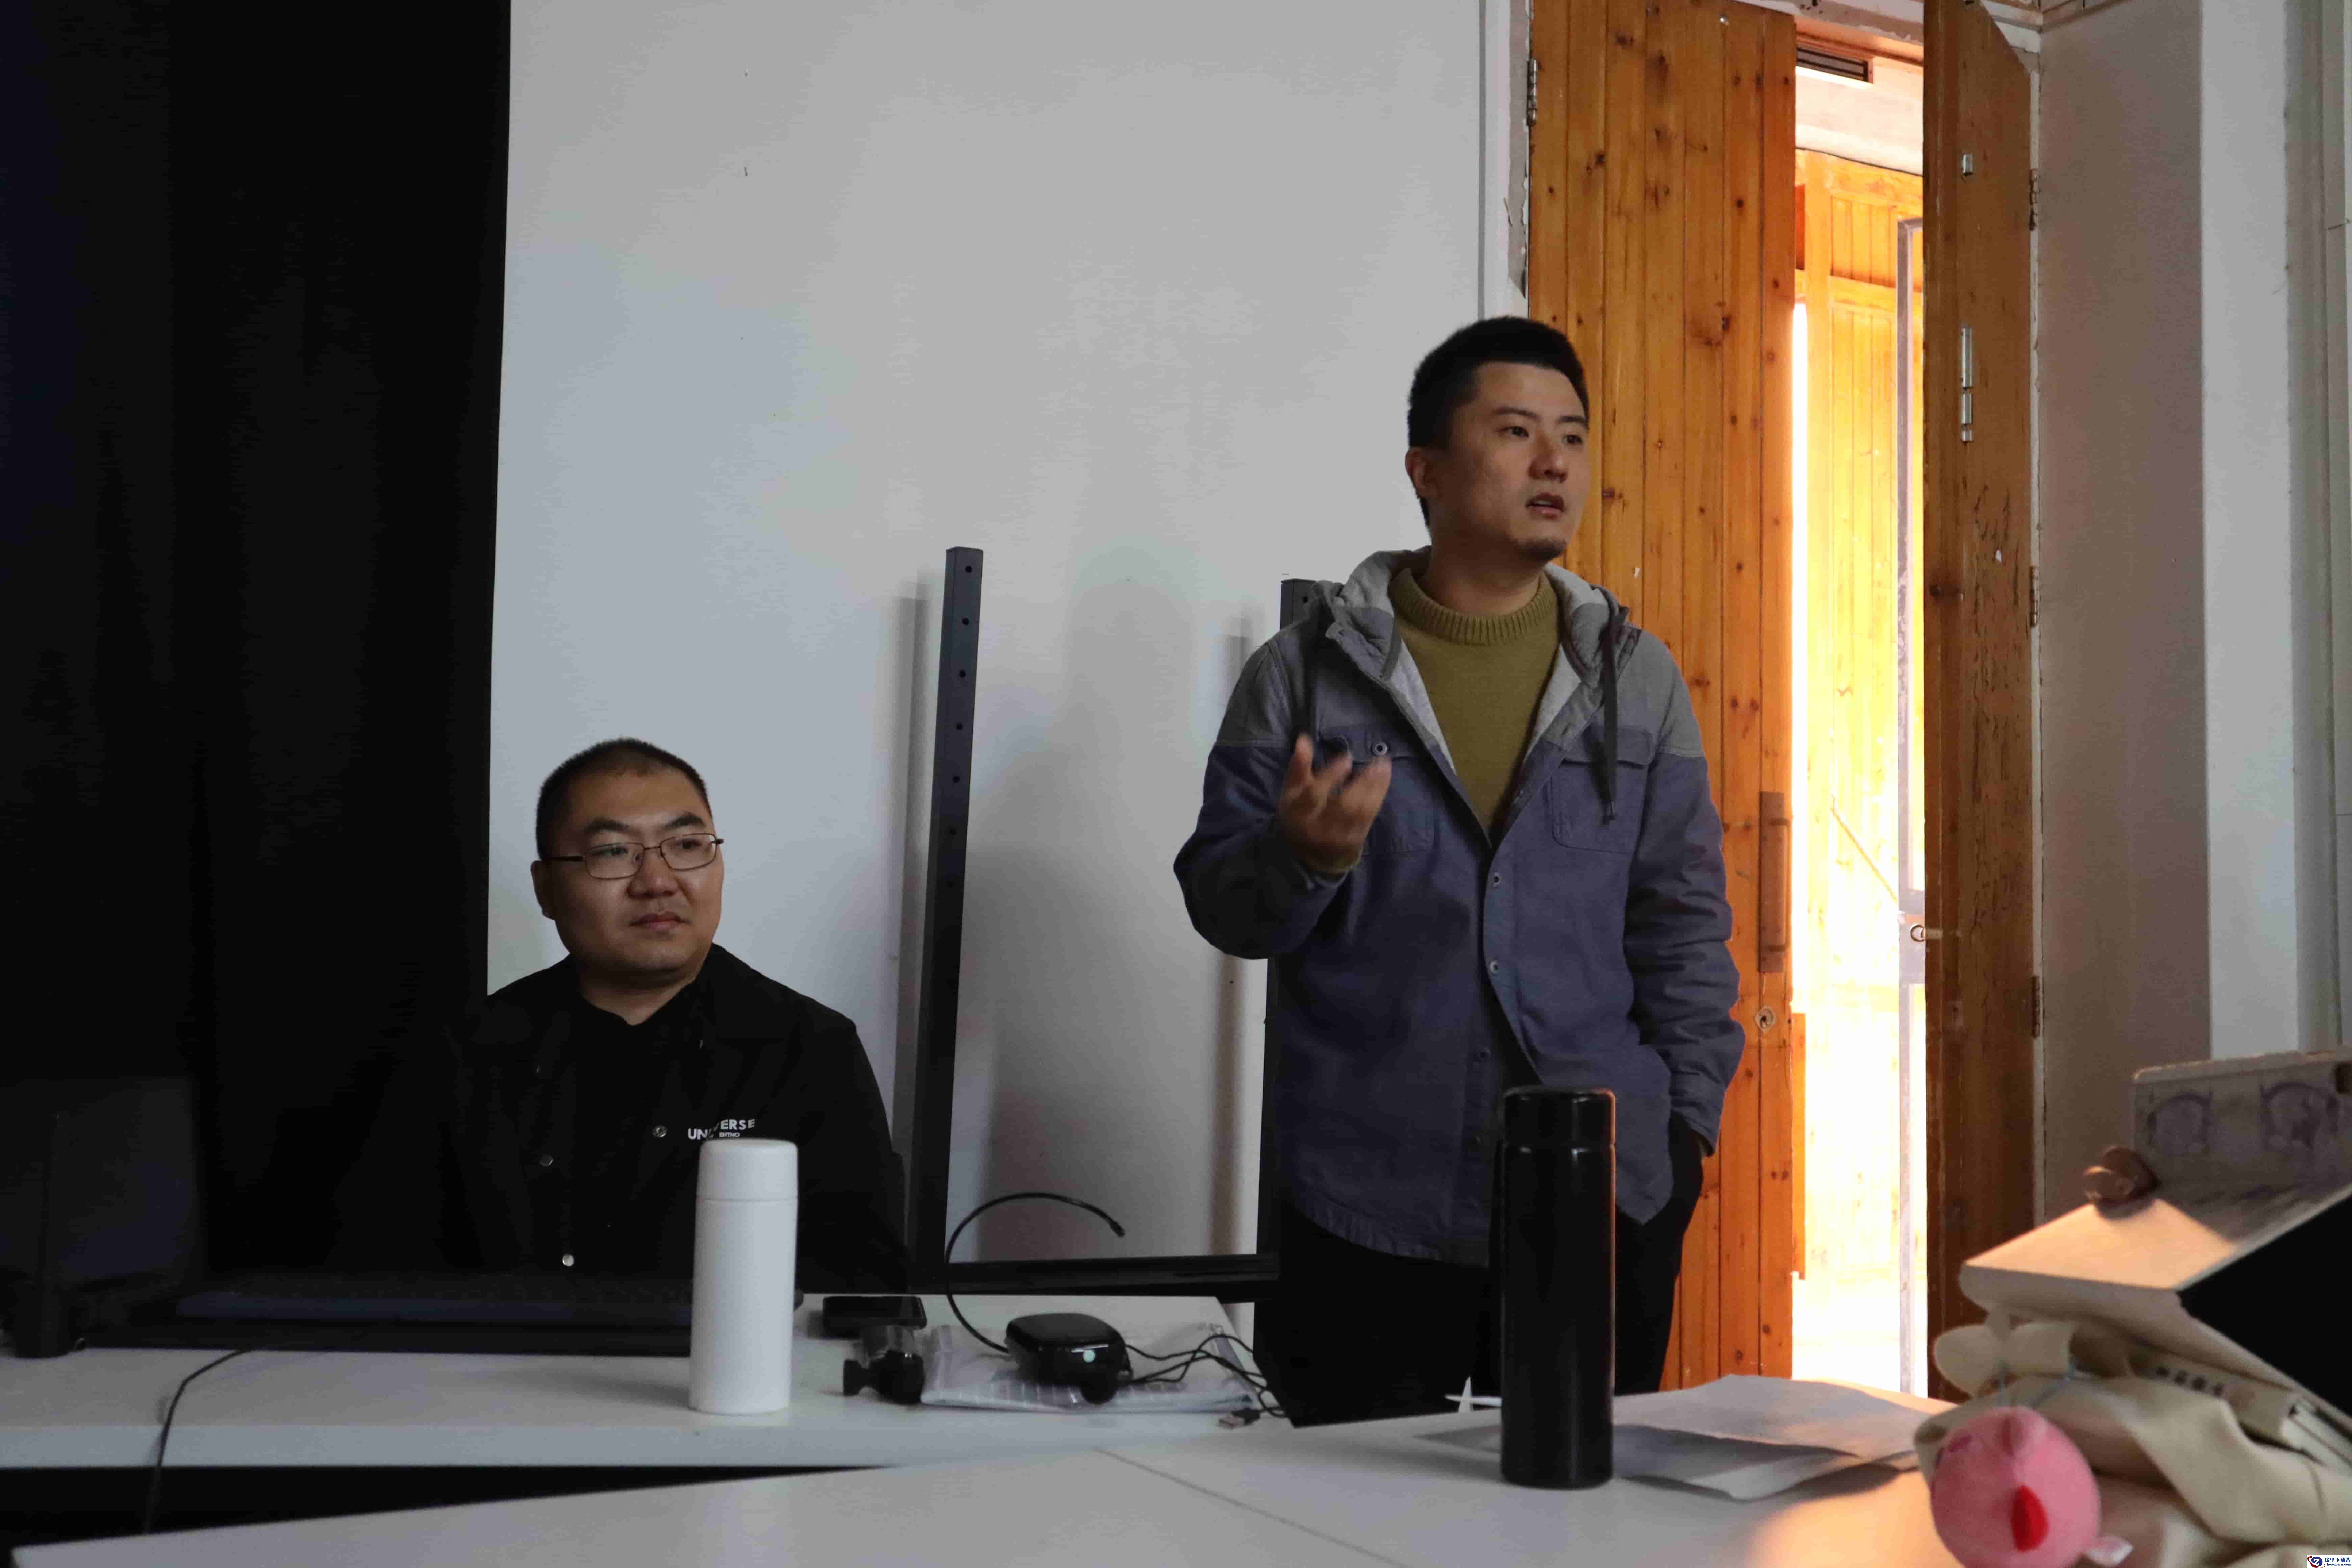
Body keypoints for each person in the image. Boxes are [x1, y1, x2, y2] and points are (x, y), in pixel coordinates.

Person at [1174, 317, 1741, 1423]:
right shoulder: (1303, 675)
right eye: (1517, 431)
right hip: (1363, 1205)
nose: (1554, 463)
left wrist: (1684, 1136)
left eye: (1572, 435)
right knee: (1353, 1505)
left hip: (1601, 1195)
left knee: (1578, 1503)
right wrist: (1304, 858)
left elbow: (1683, 927)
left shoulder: (1639, 678)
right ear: (1426, 471)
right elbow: (1223, 905)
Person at [342, 738, 907, 1288]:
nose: (657, 882)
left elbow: (864, 1284)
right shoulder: (467, 1053)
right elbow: (385, 1277)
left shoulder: (809, 1049)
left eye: (687, 845)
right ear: (546, 889)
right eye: (613, 852)